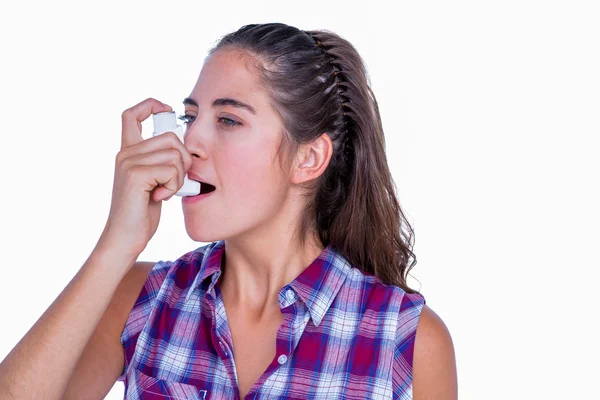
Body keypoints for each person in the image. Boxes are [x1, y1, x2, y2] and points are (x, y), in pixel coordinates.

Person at [0, 23, 457, 399]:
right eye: (190, 117)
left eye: (229, 120)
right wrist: (116, 244)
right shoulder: (141, 299)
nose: (190, 142)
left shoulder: (409, 341)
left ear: (309, 158)